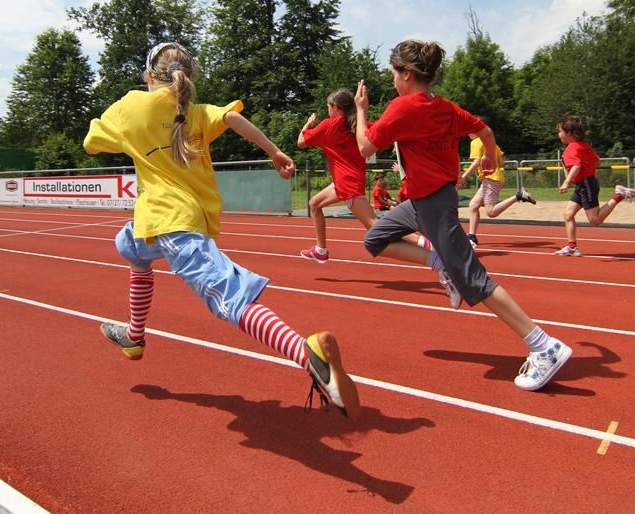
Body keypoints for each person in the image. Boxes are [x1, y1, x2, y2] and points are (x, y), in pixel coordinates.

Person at [84, 42, 360, 418]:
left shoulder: (130, 106)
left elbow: (90, 143)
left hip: (173, 225)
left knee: (231, 299)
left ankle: (304, 352)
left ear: (150, 76)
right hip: (166, 221)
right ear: (189, 77)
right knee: (129, 246)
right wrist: (274, 151)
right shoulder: (195, 112)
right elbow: (232, 118)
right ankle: (134, 336)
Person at [354, 40, 571, 391]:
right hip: (420, 203)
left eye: (393, 73)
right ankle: (439, 264)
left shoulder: (403, 107)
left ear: (406, 74)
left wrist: (361, 110)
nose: (392, 79)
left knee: (475, 280)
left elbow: (365, 147)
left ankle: (543, 345)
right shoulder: (446, 108)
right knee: (376, 237)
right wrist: (488, 157)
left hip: (436, 206)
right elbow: (485, 130)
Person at [297, 89, 378, 263]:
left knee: (375, 226)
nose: (327, 110)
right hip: (345, 181)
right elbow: (382, 131)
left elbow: (301, 142)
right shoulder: (358, 123)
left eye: (328, 107)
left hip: (348, 185)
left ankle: (424, 242)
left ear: (335, 107)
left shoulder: (328, 125)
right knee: (315, 204)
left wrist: (308, 125)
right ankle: (320, 250)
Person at [556, 115, 635, 256]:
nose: (559, 134)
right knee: (568, 214)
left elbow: (576, 166)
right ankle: (572, 247)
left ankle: (618, 195)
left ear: (569, 133)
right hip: (585, 184)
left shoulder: (571, 149)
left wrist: (566, 182)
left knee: (595, 220)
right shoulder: (584, 146)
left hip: (586, 185)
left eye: (560, 131)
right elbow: (597, 161)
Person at [456, 132, 536, 248]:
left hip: (490, 179)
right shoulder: (491, 143)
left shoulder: (476, 142)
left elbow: (476, 162)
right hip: (493, 178)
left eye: (469, 130)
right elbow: (501, 162)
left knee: (491, 212)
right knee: (473, 205)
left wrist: (463, 177)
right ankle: (472, 236)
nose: (467, 133)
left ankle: (518, 196)